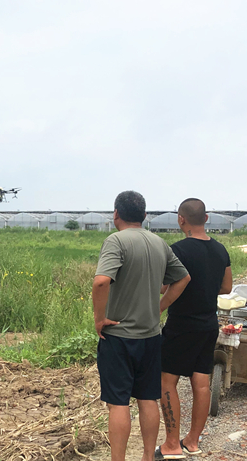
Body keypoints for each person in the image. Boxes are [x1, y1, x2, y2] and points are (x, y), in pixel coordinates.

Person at [92, 191, 190, 461]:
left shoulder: (116, 241)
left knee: (118, 403)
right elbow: (183, 278)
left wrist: (99, 319)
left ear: (116, 214)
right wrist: (159, 307)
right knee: (147, 398)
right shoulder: (159, 243)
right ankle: (147, 456)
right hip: (150, 336)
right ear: (144, 216)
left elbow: (101, 281)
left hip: (119, 336)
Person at [158, 199, 232, 458]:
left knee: (167, 381)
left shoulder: (178, 250)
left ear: (181, 219)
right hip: (208, 325)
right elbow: (227, 287)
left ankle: (171, 444)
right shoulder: (221, 250)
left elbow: (164, 287)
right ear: (206, 218)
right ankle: (192, 441)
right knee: (201, 383)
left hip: (181, 325)